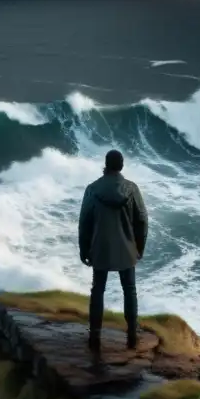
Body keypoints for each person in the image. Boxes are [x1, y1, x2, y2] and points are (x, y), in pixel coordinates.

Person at [78, 149, 148, 352]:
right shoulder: (131, 189)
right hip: (126, 248)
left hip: (100, 247)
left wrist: (84, 248)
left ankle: (94, 336)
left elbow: (85, 222)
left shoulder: (93, 189)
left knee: (97, 290)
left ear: (106, 165)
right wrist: (139, 247)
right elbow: (142, 220)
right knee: (130, 290)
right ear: (122, 166)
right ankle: (133, 335)